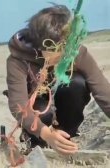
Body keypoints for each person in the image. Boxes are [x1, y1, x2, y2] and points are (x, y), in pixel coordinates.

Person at [6, 4, 110, 155]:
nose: (65, 55)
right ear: (40, 44)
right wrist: (46, 134)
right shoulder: (17, 61)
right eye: (58, 50)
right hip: (37, 110)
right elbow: (18, 105)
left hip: (65, 99)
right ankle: (38, 142)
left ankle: (67, 137)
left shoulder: (76, 52)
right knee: (40, 110)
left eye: (67, 49)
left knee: (77, 84)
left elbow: (103, 92)